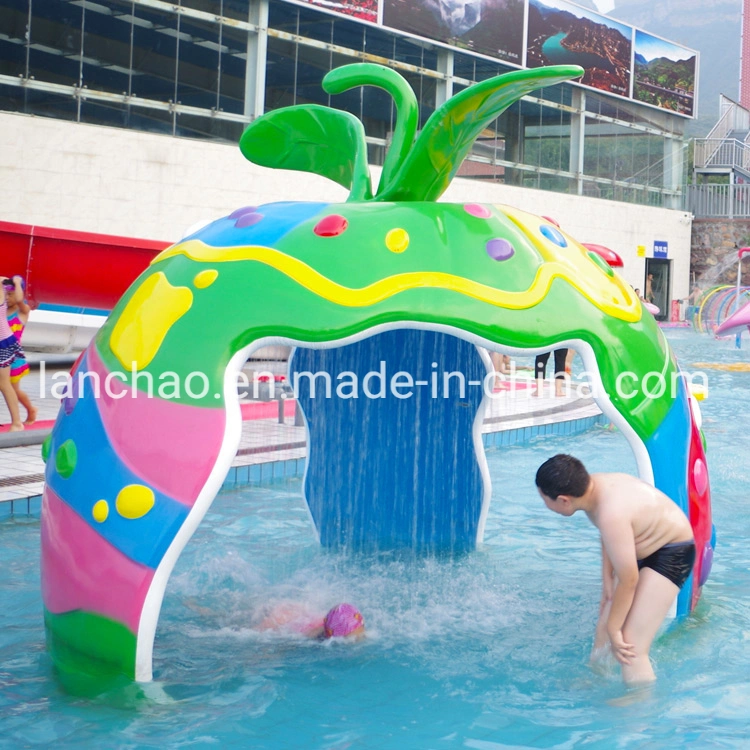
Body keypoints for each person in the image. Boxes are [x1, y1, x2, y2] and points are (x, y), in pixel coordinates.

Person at [535, 454, 695, 686]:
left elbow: (629, 578)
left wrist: (615, 629)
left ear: (563, 500)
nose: (545, 505)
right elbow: (610, 537)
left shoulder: (611, 512)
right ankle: (597, 681)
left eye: (545, 500)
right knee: (603, 628)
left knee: (630, 645)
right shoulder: (592, 488)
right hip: (641, 547)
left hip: (672, 552)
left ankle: (638, 708)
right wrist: (607, 584)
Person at [3, 276, 36, 424]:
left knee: (13, 389)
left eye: (10, 294)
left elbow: (19, 300)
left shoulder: (22, 311)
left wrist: (16, 282)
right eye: (5, 294)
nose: (7, 298)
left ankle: (30, 409)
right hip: (2, 354)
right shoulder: (2, 311)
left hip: (14, 358)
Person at [0, 276, 24, 431]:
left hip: (3, 343)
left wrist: (15, 282)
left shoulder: (1, 283)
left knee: (4, 383)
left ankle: (17, 423)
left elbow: (19, 298)